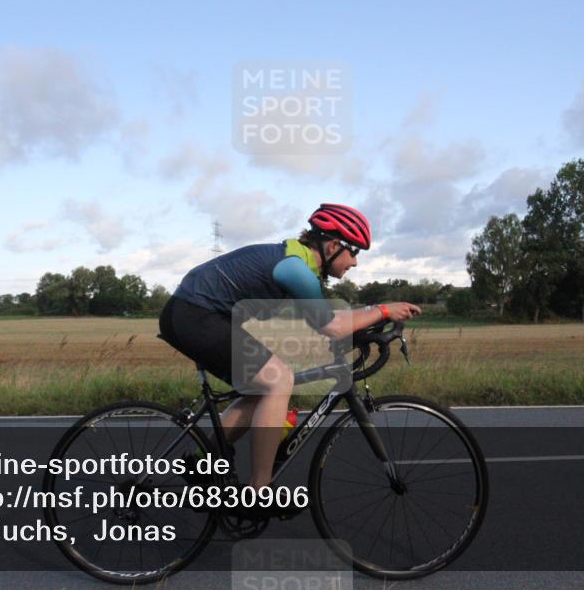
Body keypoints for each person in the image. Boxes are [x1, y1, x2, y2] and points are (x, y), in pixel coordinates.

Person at [158, 203, 421, 489]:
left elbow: (327, 318)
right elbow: (332, 326)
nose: (355, 262)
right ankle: (260, 488)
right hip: (195, 316)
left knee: (262, 389)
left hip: (192, 314)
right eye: (354, 251)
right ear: (333, 246)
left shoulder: (294, 261)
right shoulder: (295, 269)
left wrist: (371, 318)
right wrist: (383, 310)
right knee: (279, 379)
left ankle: (203, 461)